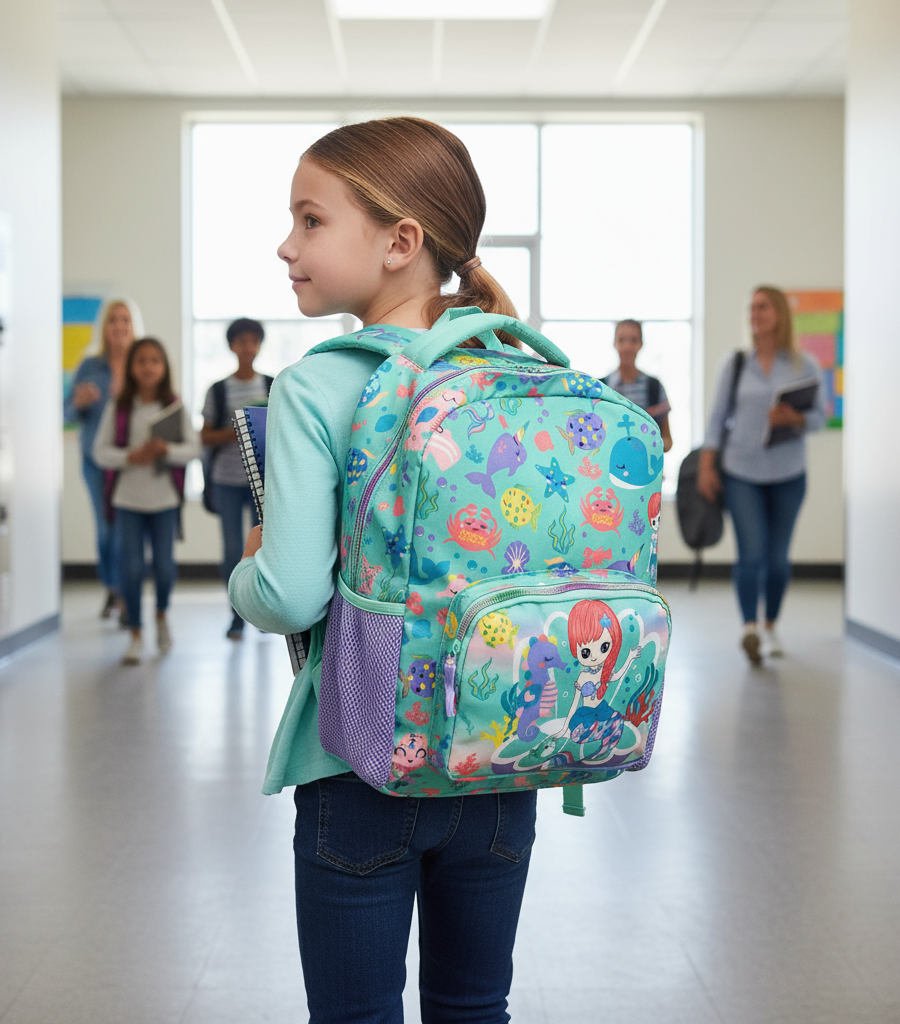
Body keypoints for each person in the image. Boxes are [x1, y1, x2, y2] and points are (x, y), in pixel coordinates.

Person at [229, 117, 537, 1023]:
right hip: (497, 755)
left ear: (402, 242)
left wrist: (249, 569)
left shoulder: (319, 384)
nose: (287, 245)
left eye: (311, 220)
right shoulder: (510, 364)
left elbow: (288, 592)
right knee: (476, 1006)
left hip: (358, 762)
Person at [697, 286, 826, 666]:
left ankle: (770, 626)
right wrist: (707, 465)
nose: (755, 313)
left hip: (789, 474)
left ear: (780, 314)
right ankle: (749, 628)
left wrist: (797, 418)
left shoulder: (805, 366)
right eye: (751, 307)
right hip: (741, 473)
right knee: (751, 554)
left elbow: (821, 417)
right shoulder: (735, 363)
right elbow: (717, 418)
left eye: (763, 306)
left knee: (778, 559)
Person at [92, 337, 200, 666]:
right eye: (142, 361)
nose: (148, 367)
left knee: (165, 568)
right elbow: (100, 452)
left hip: (164, 500)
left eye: (155, 360)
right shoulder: (119, 408)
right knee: (132, 569)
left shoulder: (174, 407)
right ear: (131, 367)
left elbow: (193, 449)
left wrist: (166, 451)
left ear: (164, 367)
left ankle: (162, 614)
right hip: (127, 501)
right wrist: (131, 456)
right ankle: (136, 633)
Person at [64, 299, 141, 619]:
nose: (119, 326)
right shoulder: (89, 366)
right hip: (95, 461)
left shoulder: (143, 362)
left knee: (127, 530)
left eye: (125, 320)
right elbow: (66, 412)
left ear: (133, 325)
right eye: (113, 320)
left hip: (132, 461)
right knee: (106, 529)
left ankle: (126, 592)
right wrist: (79, 403)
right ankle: (113, 587)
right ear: (104, 326)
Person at [200, 318, 273, 639]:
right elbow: (204, 436)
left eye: (253, 341)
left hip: (262, 481)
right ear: (231, 346)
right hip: (226, 480)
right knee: (232, 549)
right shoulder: (217, 390)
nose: (248, 347)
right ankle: (236, 615)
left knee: (266, 547)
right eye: (241, 341)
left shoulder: (272, 385)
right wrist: (236, 432)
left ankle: (260, 612)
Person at [601, 318, 673, 452]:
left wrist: (648, 443)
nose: (627, 347)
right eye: (622, 340)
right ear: (614, 343)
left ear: (641, 344)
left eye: (633, 340)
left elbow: (668, 441)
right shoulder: (601, 388)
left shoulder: (655, 387)